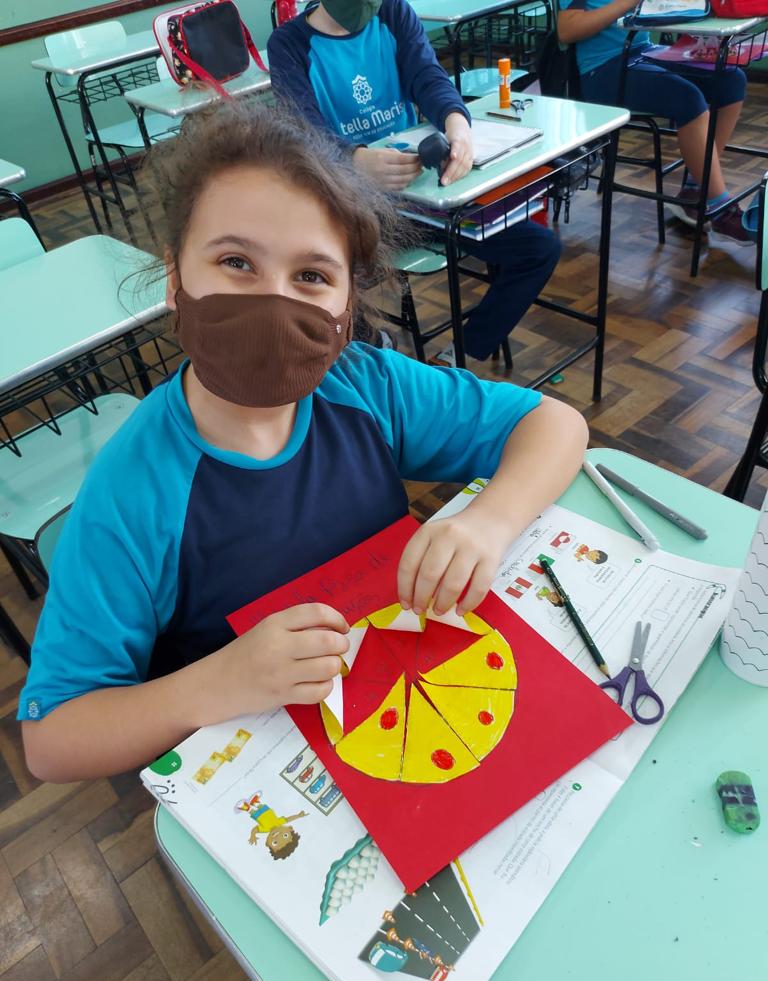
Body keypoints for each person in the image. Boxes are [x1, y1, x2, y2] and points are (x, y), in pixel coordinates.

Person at [19, 100, 588, 783]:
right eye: (236, 261)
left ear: (347, 306)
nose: (273, 302)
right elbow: (52, 740)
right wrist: (220, 680)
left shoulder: (365, 386)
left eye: (311, 276)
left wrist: (488, 522)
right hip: (259, 768)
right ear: (174, 278)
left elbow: (555, 425)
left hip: (399, 707)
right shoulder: (134, 490)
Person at [267, 0, 561, 365]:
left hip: (424, 200)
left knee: (538, 250)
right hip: (355, 209)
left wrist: (457, 125)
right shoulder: (289, 45)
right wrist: (354, 161)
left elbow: (428, 77)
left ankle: (460, 355)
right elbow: (305, 133)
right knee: (314, 282)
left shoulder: (392, 13)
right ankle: (374, 345)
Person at [557, 0, 752, 244]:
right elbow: (567, 30)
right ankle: (721, 211)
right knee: (687, 99)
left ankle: (695, 189)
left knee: (731, 81)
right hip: (600, 69)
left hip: (642, 51)